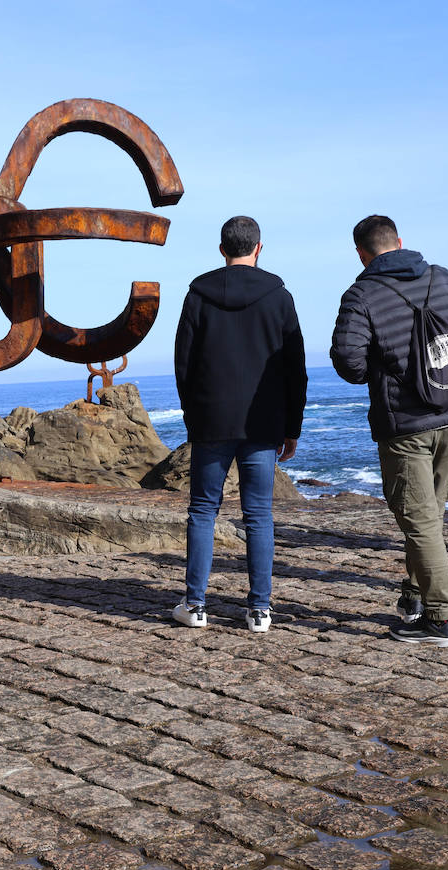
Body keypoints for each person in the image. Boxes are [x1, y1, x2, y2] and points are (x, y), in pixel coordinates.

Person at [331, 215, 448, 647]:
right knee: (430, 514)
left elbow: (348, 360)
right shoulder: (444, 277)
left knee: (419, 522)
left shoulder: (362, 293)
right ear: (400, 242)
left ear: (361, 253)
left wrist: (384, 374)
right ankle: (415, 595)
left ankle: (440, 619)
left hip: (405, 424)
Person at [171, 216, 307, 634]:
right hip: (263, 422)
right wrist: (292, 426)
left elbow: (184, 364)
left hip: (212, 420)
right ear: (259, 248)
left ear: (221, 249)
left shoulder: (198, 295)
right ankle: (260, 610)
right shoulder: (279, 297)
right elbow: (295, 367)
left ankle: (195, 604)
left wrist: (192, 415)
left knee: (203, 510)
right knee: (259, 515)